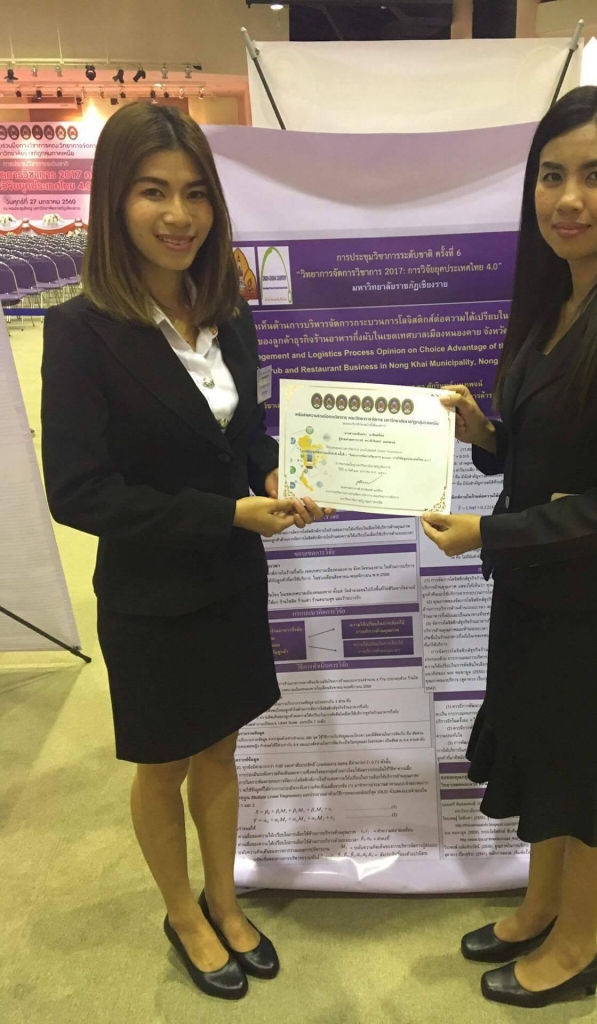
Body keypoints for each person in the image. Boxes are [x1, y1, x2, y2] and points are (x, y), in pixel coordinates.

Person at [421, 84, 597, 1009]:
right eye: (551, 176)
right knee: (543, 759)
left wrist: (489, 532)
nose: (568, 199)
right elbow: (556, 449)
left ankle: (578, 947)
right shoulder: (557, 303)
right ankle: (540, 907)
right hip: (535, 595)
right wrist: (488, 436)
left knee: (592, 781)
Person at [41, 102, 329, 1001]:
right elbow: (79, 492)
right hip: (152, 594)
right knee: (162, 764)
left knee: (221, 754)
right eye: (153, 192)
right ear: (113, 202)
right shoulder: (81, 331)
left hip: (232, 581)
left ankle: (224, 899)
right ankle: (184, 913)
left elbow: (240, 437)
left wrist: (274, 470)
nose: (179, 215)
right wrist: (225, 514)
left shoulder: (226, 313)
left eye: (196, 193)